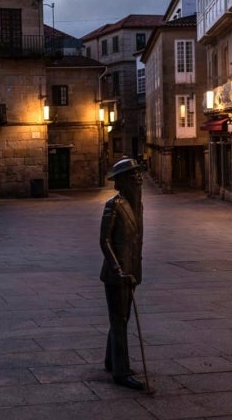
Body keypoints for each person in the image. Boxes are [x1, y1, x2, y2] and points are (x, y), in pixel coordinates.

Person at [99, 156, 145, 390]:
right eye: (133, 175)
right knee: (119, 322)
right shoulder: (113, 205)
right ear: (122, 181)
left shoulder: (137, 205)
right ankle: (121, 372)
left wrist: (134, 269)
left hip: (132, 271)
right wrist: (118, 270)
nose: (139, 178)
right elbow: (104, 240)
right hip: (116, 274)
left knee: (121, 319)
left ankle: (111, 360)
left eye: (138, 174)